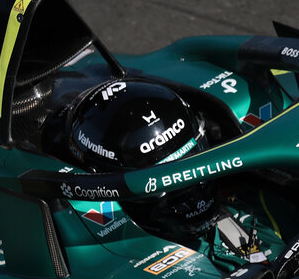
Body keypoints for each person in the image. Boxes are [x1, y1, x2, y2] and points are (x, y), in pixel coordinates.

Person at [61, 76, 285, 268]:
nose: (192, 195)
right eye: (168, 184)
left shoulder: (263, 202)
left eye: (189, 161)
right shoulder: (106, 254)